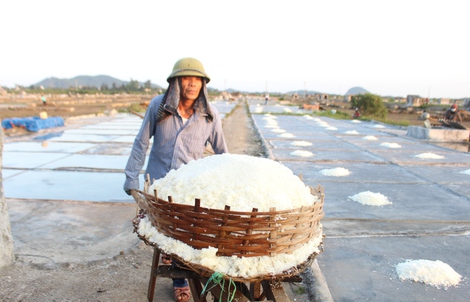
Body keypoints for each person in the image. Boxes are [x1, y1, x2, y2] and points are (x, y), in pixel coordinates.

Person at [123, 57, 228, 302]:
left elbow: (223, 154)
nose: (192, 84)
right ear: (175, 82)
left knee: (189, 235)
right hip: (159, 185)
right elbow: (141, 143)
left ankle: (186, 275)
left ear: (203, 85)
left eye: (197, 80)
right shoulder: (158, 107)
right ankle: (177, 274)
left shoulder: (210, 116)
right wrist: (131, 178)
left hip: (189, 187)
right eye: (186, 79)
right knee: (165, 235)